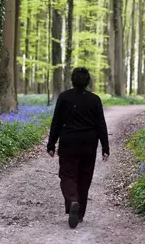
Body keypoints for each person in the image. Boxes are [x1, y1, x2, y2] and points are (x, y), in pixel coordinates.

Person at [47, 67, 109, 229]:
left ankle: (73, 200)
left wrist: (51, 143)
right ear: (88, 81)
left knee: (67, 175)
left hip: (68, 142)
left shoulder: (64, 97)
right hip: (89, 144)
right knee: (84, 178)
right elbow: (101, 125)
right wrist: (105, 147)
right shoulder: (94, 99)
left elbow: (56, 123)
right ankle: (79, 214)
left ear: (72, 80)